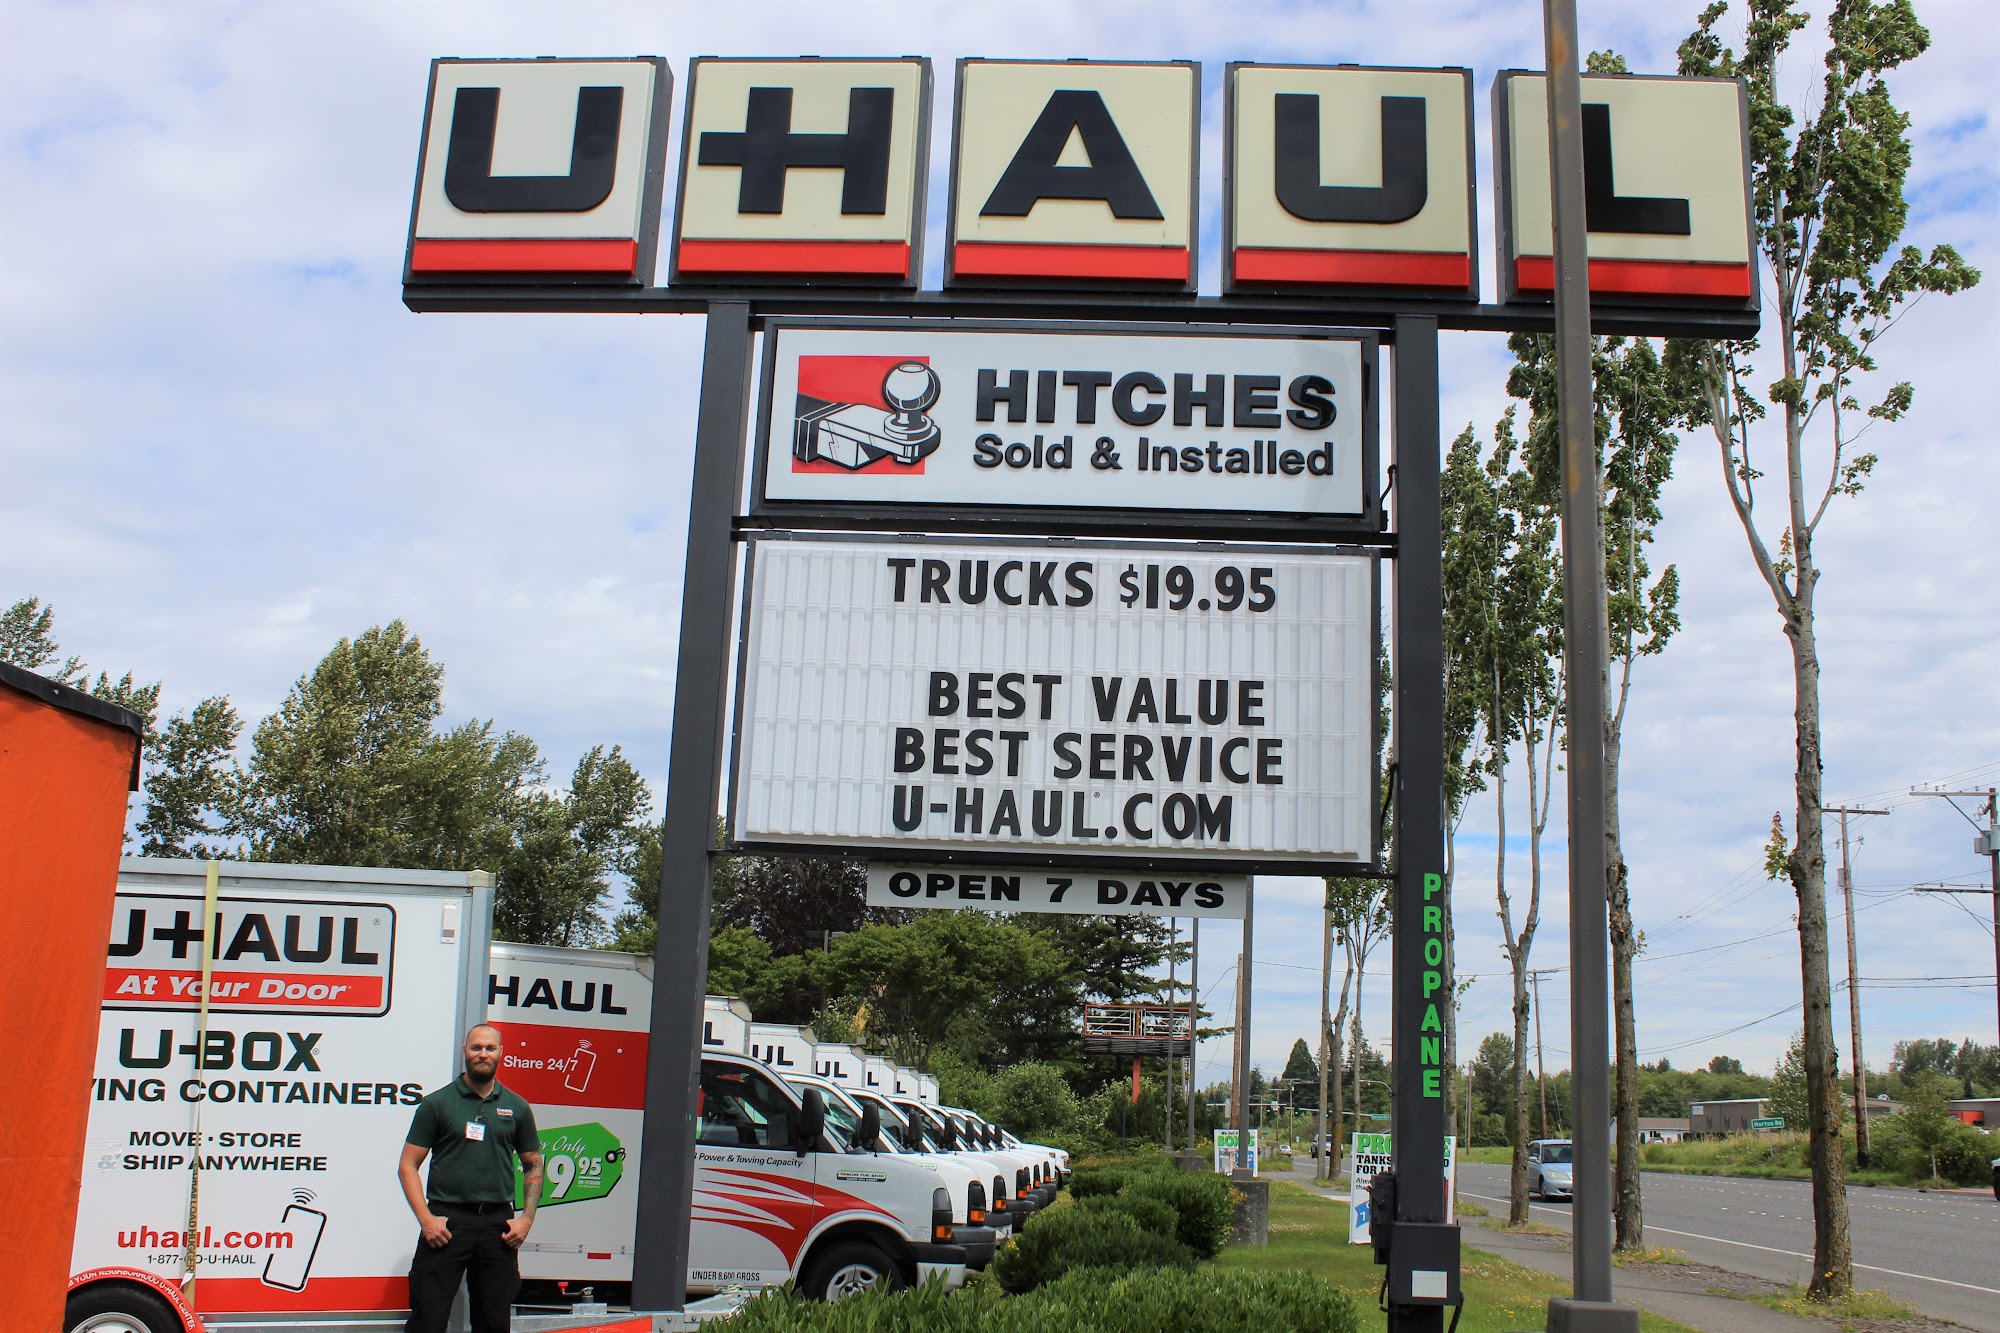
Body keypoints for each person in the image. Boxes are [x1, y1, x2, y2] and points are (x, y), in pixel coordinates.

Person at [397, 1023, 542, 1333]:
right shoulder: (437, 1104)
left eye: (490, 1048)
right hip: (446, 1223)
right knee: (428, 1320)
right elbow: (408, 1165)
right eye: (476, 1047)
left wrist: (526, 1220)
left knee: (493, 1322)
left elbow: (534, 1165)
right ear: (465, 1051)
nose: (483, 1054)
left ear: (501, 1053)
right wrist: (426, 1219)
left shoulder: (517, 1107)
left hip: (498, 1226)